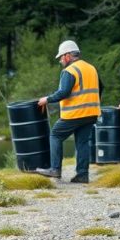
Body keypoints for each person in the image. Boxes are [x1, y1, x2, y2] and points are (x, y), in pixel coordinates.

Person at [34, 40, 101, 183]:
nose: (60, 60)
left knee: (55, 135)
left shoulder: (69, 71)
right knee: (82, 143)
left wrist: (47, 99)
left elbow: (63, 92)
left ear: (68, 56)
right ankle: (82, 175)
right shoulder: (91, 68)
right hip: (92, 113)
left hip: (74, 113)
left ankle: (55, 169)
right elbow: (100, 88)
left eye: (61, 57)